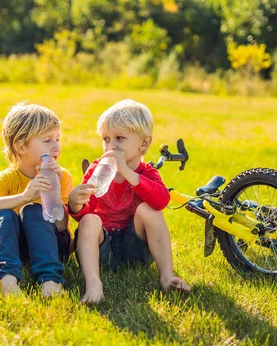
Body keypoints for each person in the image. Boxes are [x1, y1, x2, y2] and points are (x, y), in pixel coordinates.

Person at [68, 99, 191, 304]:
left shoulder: (147, 173)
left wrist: (125, 171)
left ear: (143, 143)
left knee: (149, 210)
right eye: (106, 139)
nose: (111, 146)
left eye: (119, 138)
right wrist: (75, 203)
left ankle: (167, 276)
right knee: (90, 220)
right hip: (102, 249)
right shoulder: (96, 169)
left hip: (135, 249)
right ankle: (93, 283)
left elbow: (161, 201)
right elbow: (84, 213)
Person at [0, 102, 72, 298]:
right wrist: (23, 197)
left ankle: (50, 280)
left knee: (32, 211)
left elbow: (62, 226)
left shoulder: (62, 176)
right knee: (2, 214)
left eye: (58, 139)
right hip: (18, 248)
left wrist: (53, 191)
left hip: (53, 244)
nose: (56, 146)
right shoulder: (8, 177)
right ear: (21, 146)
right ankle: (7, 281)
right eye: (47, 140)